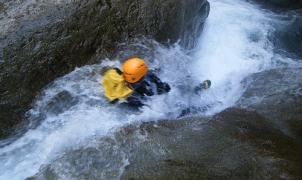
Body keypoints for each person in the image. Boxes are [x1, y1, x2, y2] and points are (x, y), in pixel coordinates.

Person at [102, 57, 211, 108]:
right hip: (137, 98)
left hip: (135, 89)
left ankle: (190, 87)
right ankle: (196, 89)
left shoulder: (119, 74)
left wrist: (159, 83)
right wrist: (161, 90)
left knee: (160, 85)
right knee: (170, 91)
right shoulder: (129, 95)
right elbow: (148, 106)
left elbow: (149, 75)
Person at [102, 57, 171, 107]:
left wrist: (159, 83)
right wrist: (147, 105)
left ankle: (158, 85)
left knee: (145, 77)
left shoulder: (126, 72)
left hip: (129, 81)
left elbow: (146, 74)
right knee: (146, 94)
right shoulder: (123, 93)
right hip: (123, 94)